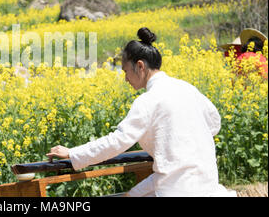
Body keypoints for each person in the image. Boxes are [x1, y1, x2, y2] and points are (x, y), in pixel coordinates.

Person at [47, 27, 236, 197]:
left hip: (176, 189)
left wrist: (73, 153)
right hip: (207, 185)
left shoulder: (148, 101)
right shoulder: (188, 89)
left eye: (125, 71)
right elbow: (214, 124)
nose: (126, 78)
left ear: (140, 66)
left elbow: (117, 141)